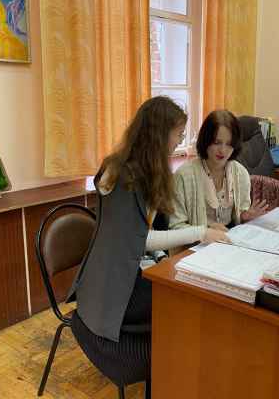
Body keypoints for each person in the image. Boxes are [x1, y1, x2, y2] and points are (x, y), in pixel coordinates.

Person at [68, 97, 229, 392]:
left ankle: (182, 375)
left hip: (122, 276)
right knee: (185, 306)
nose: (179, 141)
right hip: (111, 288)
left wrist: (163, 254)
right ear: (159, 133)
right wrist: (201, 233)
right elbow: (139, 241)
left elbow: (145, 233)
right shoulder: (122, 175)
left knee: (185, 303)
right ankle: (181, 378)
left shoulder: (144, 170)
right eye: (178, 134)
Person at [170, 109, 268, 232]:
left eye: (229, 144)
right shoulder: (184, 176)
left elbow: (240, 216)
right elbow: (175, 226)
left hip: (229, 238)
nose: (223, 150)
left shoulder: (240, 173)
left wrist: (244, 217)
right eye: (217, 142)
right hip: (197, 241)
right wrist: (205, 231)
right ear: (206, 141)